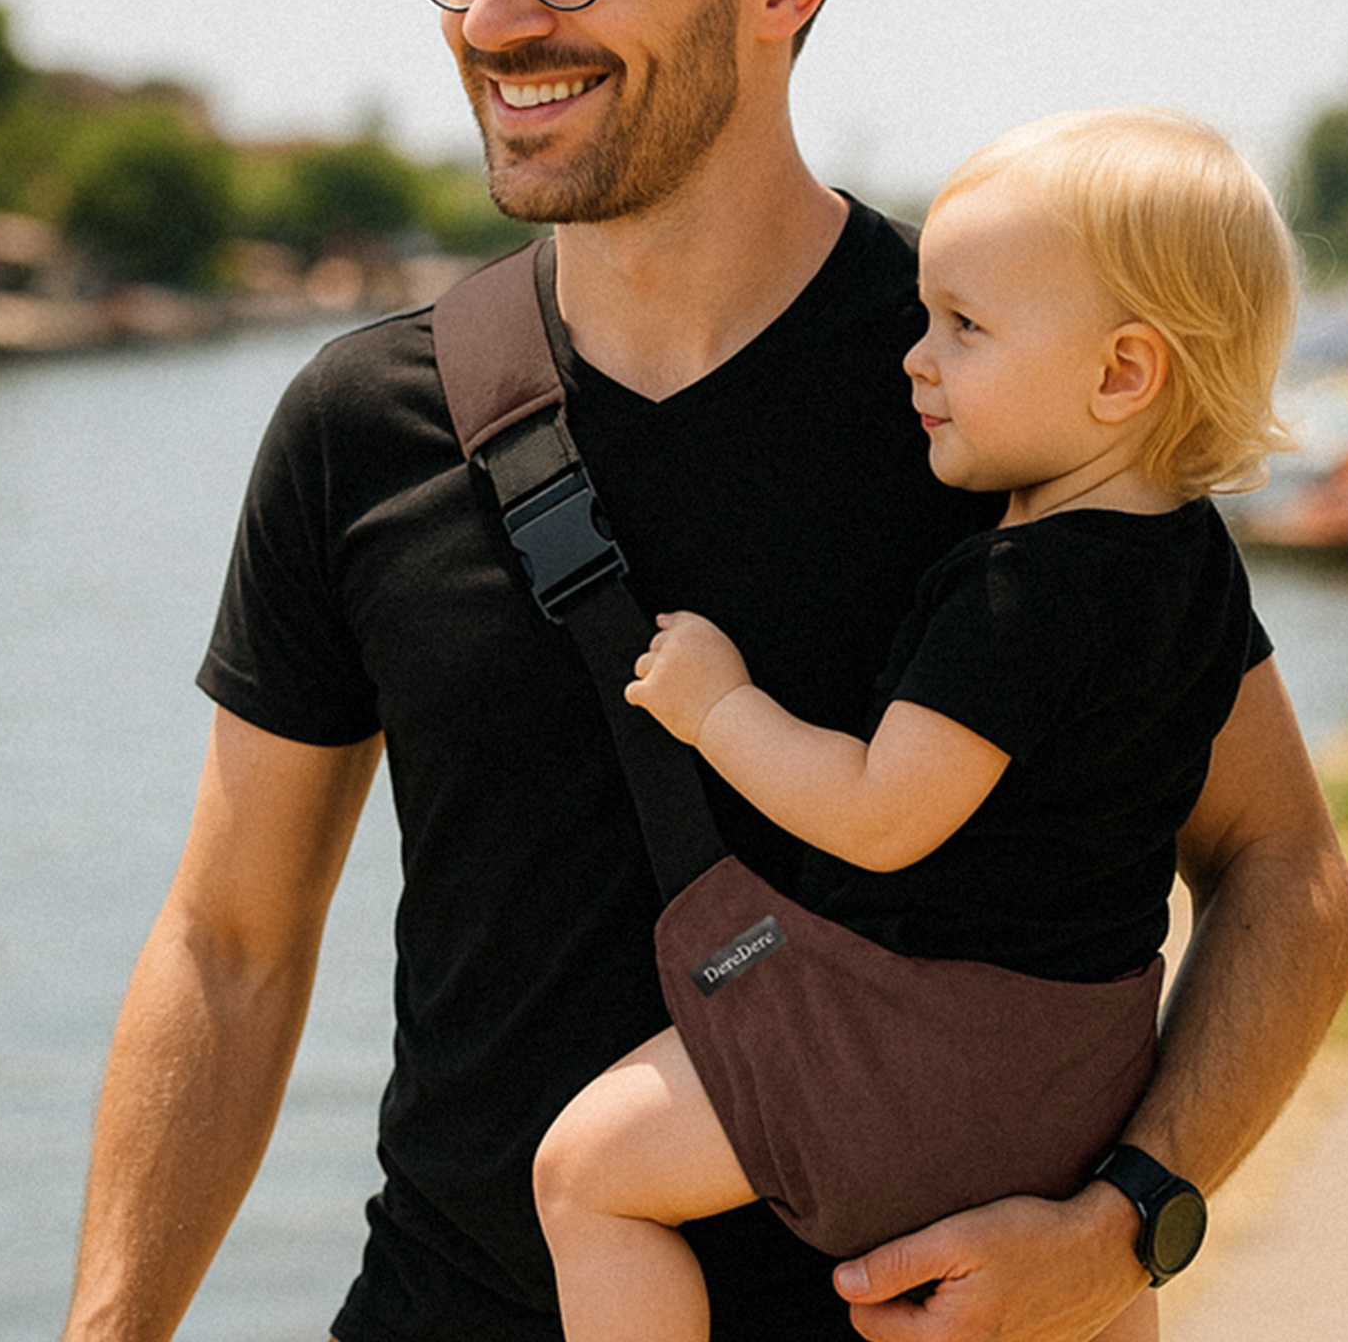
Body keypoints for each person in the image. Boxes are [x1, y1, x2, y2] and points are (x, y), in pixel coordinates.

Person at [61, 0, 1348, 1341]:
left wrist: (1132, 1223)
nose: (490, 16)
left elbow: (1282, 871)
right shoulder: (359, 426)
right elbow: (229, 946)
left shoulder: (1008, 400)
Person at [531, 106, 1296, 1342]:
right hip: (1093, 1065)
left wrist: (717, 706)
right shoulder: (1198, 566)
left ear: (1120, 372)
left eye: (964, 328)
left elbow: (884, 813)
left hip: (926, 1052)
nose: (914, 360)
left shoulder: (1017, 586)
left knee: (586, 1177)